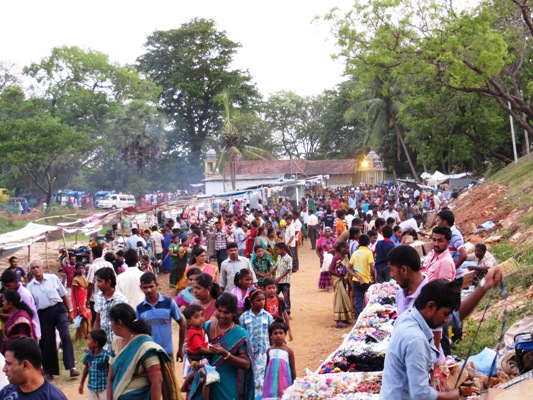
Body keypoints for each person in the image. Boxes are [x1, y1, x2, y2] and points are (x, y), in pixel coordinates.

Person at [379, 280, 461, 400]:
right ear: (430, 306)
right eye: (445, 314)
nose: (447, 320)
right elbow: (420, 393)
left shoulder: (407, 317)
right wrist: (449, 396)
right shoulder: (416, 340)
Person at [188, 293, 255, 400]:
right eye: (219, 311)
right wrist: (194, 363)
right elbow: (190, 349)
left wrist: (225, 354)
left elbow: (246, 365)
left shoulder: (239, 334)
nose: (222, 315)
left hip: (225, 385)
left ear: (234, 313)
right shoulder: (205, 327)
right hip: (203, 381)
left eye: (226, 312)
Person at [106, 303, 180, 400]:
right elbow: (110, 378)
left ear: (119, 323)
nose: (110, 325)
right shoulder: (116, 343)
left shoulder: (145, 347)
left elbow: (157, 381)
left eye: (111, 321)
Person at [26, 259, 80, 379]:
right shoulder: (30, 287)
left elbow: (63, 294)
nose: (36, 269)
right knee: (47, 342)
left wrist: (70, 310)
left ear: (42, 267)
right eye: (33, 268)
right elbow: (32, 306)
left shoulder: (52, 278)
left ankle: (72, 367)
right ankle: (50, 371)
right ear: (31, 271)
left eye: (37, 267)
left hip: (59, 309)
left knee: (65, 335)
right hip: (43, 314)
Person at [136, 272, 186, 363]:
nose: (149, 290)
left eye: (151, 286)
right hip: (148, 354)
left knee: (169, 377)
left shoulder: (169, 303)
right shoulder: (139, 309)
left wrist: (180, 349)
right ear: (141, 288)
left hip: (167, 353)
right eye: (145, 287)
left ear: (157, 285)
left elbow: (182, 323)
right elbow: (138, 334)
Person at [0, 338, 67, 399]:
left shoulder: (53, 397)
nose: (4, 369)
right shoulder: (8, 390)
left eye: (8, 364)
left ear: (25, 365)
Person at [239, 289, 273, 399]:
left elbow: (271, 334)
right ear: (251, 301)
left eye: (263, 300)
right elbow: (241, 336)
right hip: (250, 354)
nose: (262, 302)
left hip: (263, 352)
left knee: (262, 379)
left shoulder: (267, 316)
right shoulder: (244, 317)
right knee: (251, 378)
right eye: (258, 300)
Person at [182, 304, 215, 400]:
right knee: (208, 379)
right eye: (197, 317)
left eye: (202, 315)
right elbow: (199, 348)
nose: (201, 319)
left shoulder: (198, 329)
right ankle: (206, 398)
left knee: (195, 372)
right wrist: (212, 351)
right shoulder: (195, 333)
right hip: (198, 356)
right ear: (189, 321)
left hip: (196, 355)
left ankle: (184, 386)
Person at [0, 270, 41, 341]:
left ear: (16, 282)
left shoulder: (24, 295)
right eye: (4, 286)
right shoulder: (11, 293)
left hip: (29, 334)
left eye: (8, 286)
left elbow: (23, 317)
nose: (6, 288)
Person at [94, 267, 128, 351]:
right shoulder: (98, 297)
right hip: (104, 345)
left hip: (118, 344)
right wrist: (95, 339)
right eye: (96, 281)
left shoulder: (120, 300)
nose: (97, 284)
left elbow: (125, 324)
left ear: (109, 281)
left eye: (99, 281)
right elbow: (98, 319)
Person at [262, 322, 296, 400]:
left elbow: (293, 369)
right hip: (271, 382)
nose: (278, 335)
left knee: (284, 396)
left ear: (285, 334)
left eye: (281, 333)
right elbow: (267, 367)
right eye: (275, 333)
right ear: (271, 335)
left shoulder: (289, 350)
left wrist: (294, 384)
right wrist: (265, 381)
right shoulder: (269, 350)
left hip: (285, 381)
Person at [347, 235, 376, 319]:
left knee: (358, 300)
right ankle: (370, 317)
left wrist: (356, 276)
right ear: (368, 242)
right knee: (372, 299)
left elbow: (348, 268)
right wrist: (375, 280)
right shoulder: (369, 252)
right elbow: (372, 269)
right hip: (366, 280)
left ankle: (359, 318)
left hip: (356, 280)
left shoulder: (355, 253)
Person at [436, 209, 467, 286]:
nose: (437, 223)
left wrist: (452, 269)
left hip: (455, 277)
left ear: (444, 222)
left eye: (438, 221)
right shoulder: (449, 233)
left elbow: (464, 255)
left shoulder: (454, 234)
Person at [86, 245, 115, 326]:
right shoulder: (109, 264)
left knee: (96, 319)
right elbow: (115, 279)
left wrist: (87, 299)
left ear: (93, 255)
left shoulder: (93, 267)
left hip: (95, 298)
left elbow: (90, 284)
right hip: (109, 296)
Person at [328, 241, 353, 328]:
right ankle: (338, 320)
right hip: (338, 281)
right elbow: (330, 269)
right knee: (339, 299)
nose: (347, 250)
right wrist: (340, 276)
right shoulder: (336, 257)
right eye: (346, 248)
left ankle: (345, 318)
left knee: (345, 299)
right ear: (341, 248)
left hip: (345, 280)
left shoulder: (345, 257)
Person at [79, 329, 109, 400]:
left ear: (96, 343)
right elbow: (86, 368)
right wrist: (81, 383)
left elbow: (111, 370)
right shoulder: (89, 355)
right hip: (91, 388)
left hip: (104, 388)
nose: (87, 342)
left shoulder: (106, 356)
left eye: (89, 340)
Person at [71, 262, 91, 340]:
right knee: (82, 316)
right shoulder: (75, 280)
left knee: (88, 315)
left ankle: (88, 333)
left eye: (82, 268)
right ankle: (81, 335)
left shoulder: (84, 277)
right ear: (76, 270)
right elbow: (75, 293)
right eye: (79, 268)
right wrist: (77, 305)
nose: (81, 270)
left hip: (85, 298)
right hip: (80, 299)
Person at [274, 242, 293, 316]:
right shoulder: (279, 257)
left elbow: (288, 270)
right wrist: (269, 273)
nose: (277, 251)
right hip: (278, 282)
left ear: (283, 249)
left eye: (278, 249)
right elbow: (276, 266)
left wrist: (279, 277)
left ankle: (287, 313)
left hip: (285, 282)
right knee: (274, 295)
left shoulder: (289, 258)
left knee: (286, 297)